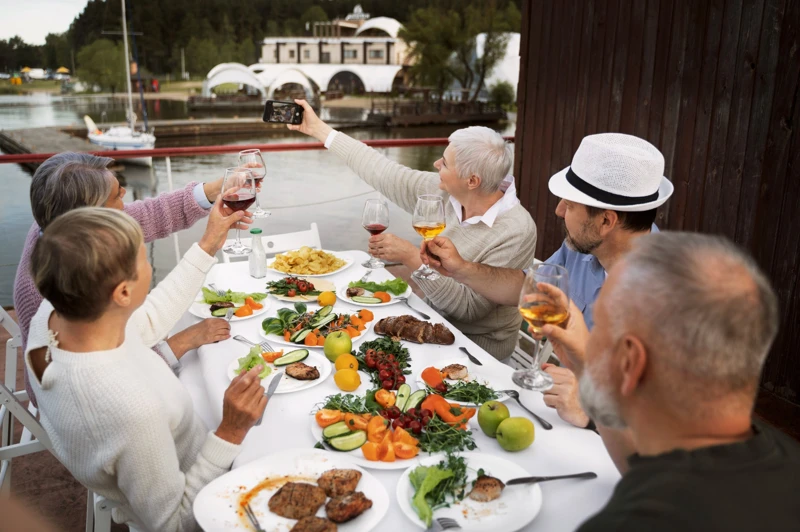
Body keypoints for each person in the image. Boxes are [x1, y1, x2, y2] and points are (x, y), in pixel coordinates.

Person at [25, 206, 266, 531]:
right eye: (143, 259)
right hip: (213, 485)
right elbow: (174, 524)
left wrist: (209, 242)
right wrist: (231, 432)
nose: (150, 266)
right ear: (123, 293)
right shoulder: (131, 409)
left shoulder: (52, 316)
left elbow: (148, 318)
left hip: (185, 441)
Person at [543, 232, 800, 531]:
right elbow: (643, 467)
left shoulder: (630, 522)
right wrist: (589, 370)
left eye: (597, 324)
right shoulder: (774, 457)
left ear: (631, 362)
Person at [420, 133, 673, 427]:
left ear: (606, 221)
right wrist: (461, 269)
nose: (559, 211)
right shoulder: (582, 248)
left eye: (570, 205)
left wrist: (592, 412)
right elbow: (527, 289)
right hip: (562, 409)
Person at [287, 99, 536, 360]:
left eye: (446, 163)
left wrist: (411, 256)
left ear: (472, 181)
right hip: (427, 323)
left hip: (476, 352)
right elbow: (381, 171)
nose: (436, 165)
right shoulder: (441, 192)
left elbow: (468, 310)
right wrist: (318, 130)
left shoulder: (516, 230)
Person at [14, 152, 230, 405]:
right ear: (93, 217)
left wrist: (211, 192)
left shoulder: (58, 229)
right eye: (117, 195)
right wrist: (179, 344)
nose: (126, 194)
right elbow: (112, 377)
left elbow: (146, 215)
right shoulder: (52, 293)